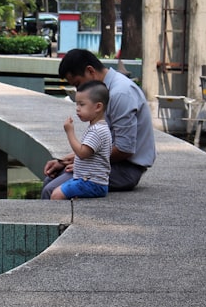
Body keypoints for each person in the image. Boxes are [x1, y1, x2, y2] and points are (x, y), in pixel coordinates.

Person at [41, 49, 156, 198]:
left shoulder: (120, 93)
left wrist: (83, 164)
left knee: (51, 189)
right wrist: (62, 161)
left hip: (125, 168)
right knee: (51, 178)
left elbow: (124, 149)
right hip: (110, 163)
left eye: (77, 84)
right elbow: (95, 147)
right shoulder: (109, 90)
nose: (78, 90)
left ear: (90, 71)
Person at [50, 80, 112, 201]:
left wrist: (70, 132)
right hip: (88, 180)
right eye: (76, 104)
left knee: (56, 195)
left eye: (82, 104)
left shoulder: (97, 131)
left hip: (92, 183)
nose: (77, 109)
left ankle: (58, 218)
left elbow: (82, 153)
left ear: (98, 107)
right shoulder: (98, 127)